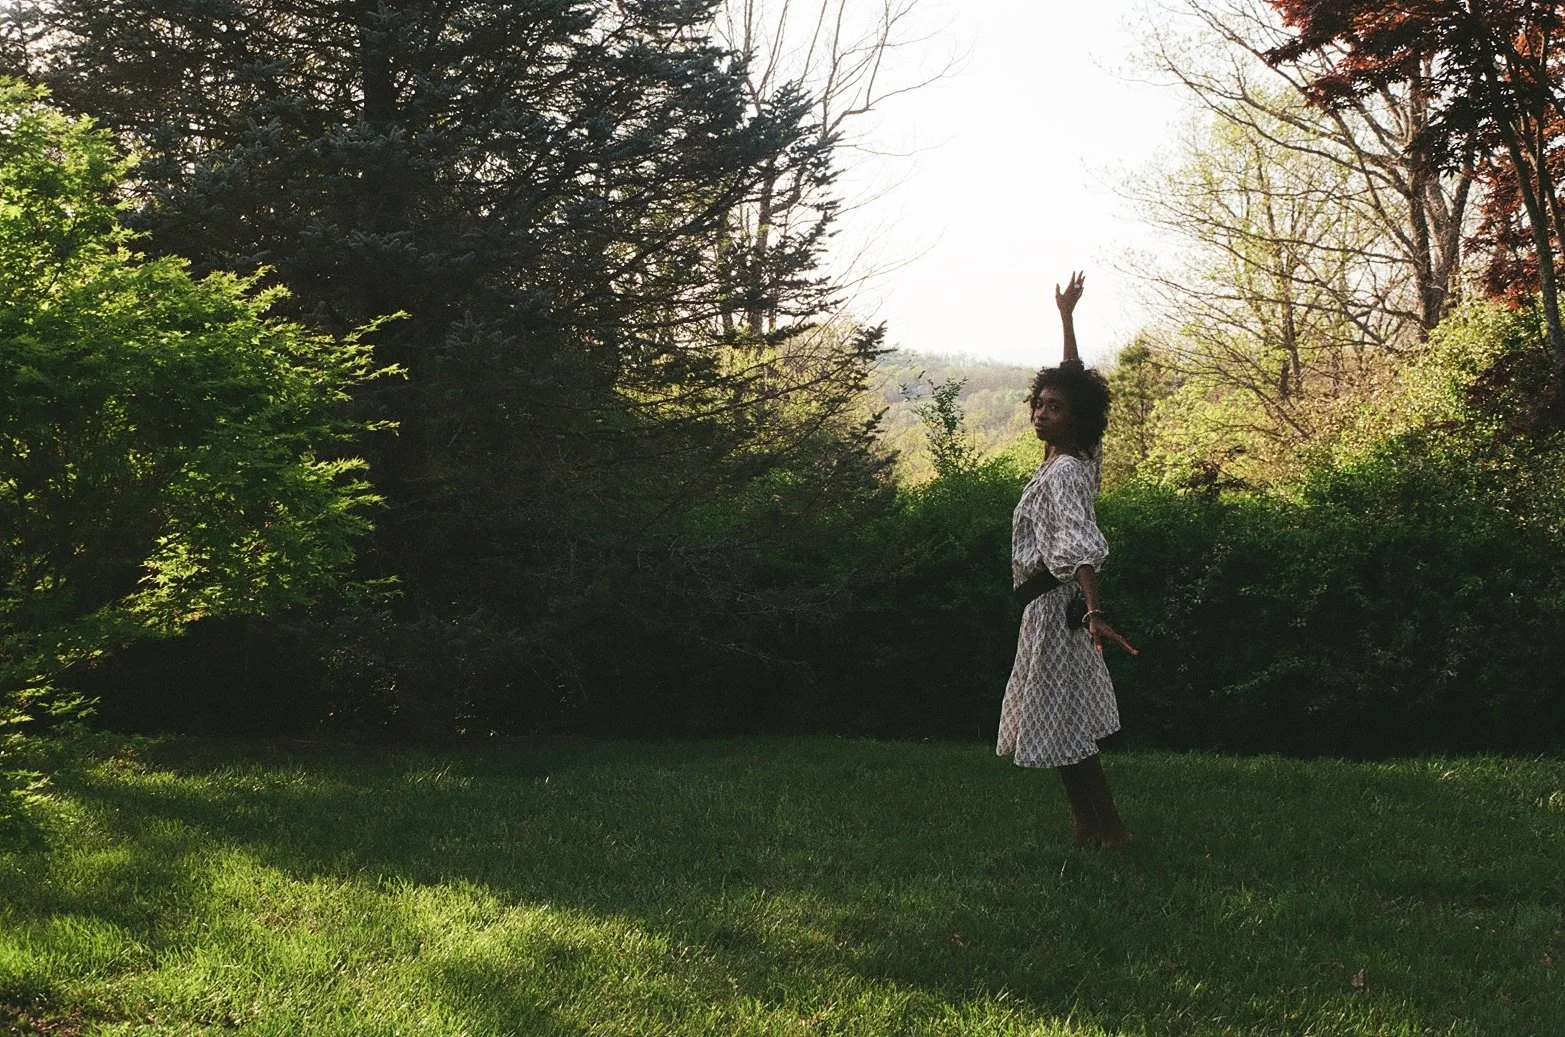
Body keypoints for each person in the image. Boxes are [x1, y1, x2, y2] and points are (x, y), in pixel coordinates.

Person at [996, 271, 1138, 848]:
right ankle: (1091, 829)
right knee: (1064, 728)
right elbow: (1075, 381)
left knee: (1068, 730)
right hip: (1050, 612)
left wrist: (1093, 610)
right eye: (1038, 404)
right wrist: (1067, 320)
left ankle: (1109, 832)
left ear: (1074, 418)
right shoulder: (1069, 458)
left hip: (1057, 613)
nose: (1041, 412)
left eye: (1053, 408)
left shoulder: (1067, 474)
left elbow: (1078, 541)